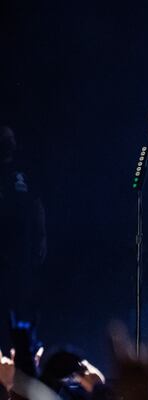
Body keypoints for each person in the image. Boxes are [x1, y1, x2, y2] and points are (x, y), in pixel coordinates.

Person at [0, 126, 47, 320]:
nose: (10, 142)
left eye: (12, 138)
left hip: (24, 243)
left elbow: (37, 203)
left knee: (24, 294)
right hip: (4, 244)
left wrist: (42, 236)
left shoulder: (23, 170)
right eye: (5, 139)